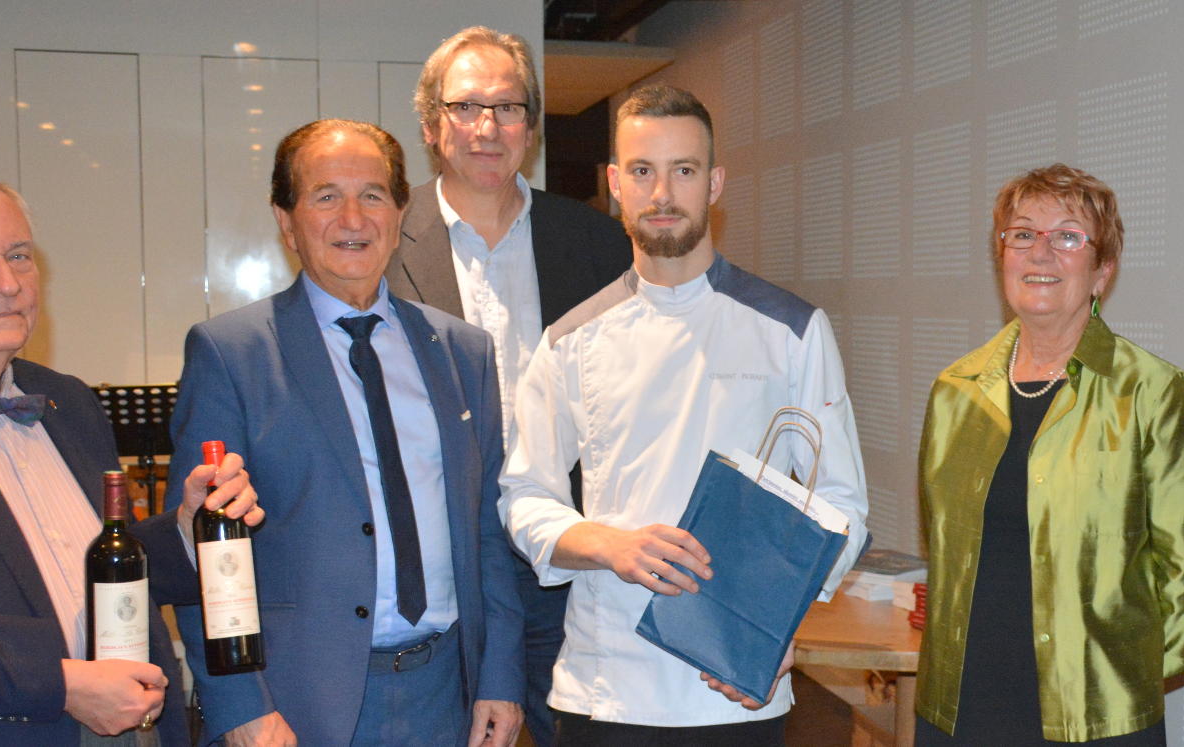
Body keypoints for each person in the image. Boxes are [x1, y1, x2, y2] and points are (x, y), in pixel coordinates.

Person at [499, 84, 868, 744]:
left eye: (685, 170)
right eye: (643, 171)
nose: (662, 193)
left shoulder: (792, 330)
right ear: (616, 184)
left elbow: (841, 505)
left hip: (737, 687)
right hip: (606, 686)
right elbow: (524, 496)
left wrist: (778, 623)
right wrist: (611, 544)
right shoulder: (569, 340)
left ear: (715, 183)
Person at [0, 168, 260, 744]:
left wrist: (186, 530)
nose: (6, 284)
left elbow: (90, 569)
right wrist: (60, 682)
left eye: (19, 256)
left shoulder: (66, 400)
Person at [156, 119, 523, 746]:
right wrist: (240, 705)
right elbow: (204, 551)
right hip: (294, 705)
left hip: (446, 697)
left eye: (373, 195)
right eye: (326, 196)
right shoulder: (231, 353)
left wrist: (501, 676)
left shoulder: (462, 352)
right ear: (286, 220)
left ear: (400, 213)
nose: (353, 218)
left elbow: (488, 528)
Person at [916, 164, 1184, 744]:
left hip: (1095, 711)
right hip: (963, 701)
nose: (1040, 252)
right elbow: (943, 545)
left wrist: (1120, 681)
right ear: (1002, 258)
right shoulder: (955, 392)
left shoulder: (1155, 394)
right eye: (1022, 234)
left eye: (1067, 236)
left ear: (1102, 271)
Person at [386, 26, 630, 747]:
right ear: (431, 124)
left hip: (564, 561)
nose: (487, 127)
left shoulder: (596, 242)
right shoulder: (384, 241)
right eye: (466, 106)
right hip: (444, 564)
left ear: (532, 126)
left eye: (508, 107)